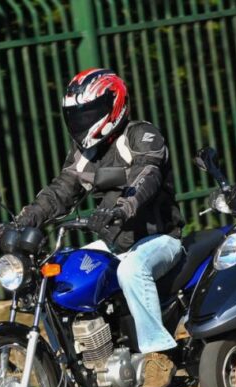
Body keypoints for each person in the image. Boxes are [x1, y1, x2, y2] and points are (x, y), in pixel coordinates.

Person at [13, 68, 185, 355]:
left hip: (159, 240)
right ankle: (75, 358)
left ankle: (158, 353)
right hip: (113, 243)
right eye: (77, 115)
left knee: (132, 270)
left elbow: (147, 174)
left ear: (113, 105)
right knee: (57, 275)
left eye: (90, 112)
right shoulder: (84, 153)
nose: (83, 121)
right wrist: (21, 221)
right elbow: (61, 191)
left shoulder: (141, 135)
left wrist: (124, 206)